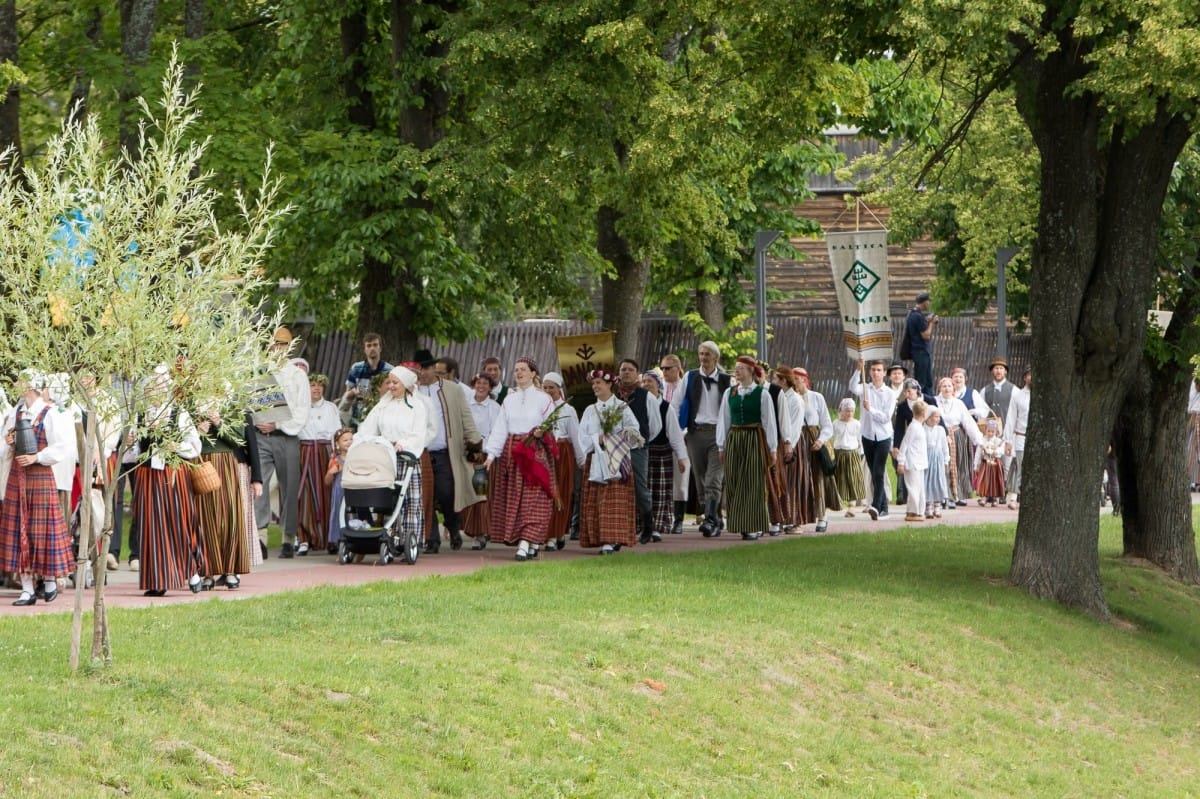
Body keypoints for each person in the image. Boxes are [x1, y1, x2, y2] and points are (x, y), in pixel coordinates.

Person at [0, 370, 75, 606]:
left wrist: (37, 457)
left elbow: (61, 447)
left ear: (31, 385)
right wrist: (9, 441)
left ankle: (50, 579)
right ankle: (27, 588)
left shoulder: (50, 413)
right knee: (19, 528)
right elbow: (6, 441)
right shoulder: (17, 411)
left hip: (40, 475)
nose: (18, 385)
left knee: (43, 529)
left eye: (21, 381)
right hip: (18, 476)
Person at [131, 367, 206, 597]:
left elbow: (195, 446)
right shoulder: (140, 415)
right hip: (147, 477)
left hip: (173, 475)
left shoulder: (178, 412)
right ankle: (157, 580)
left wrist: (177, 447)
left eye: (159, 386)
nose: (155, 391)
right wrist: (129, 445)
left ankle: (192, 571)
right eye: (151, 387)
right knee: (150, 528)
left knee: (179, 522)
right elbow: (133, 453)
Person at [483, 357, 557, 561]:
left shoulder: (544, 399)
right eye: (516, 370)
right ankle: (529, 541)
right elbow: (500, 428)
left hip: (535, 455)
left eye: (523, 369)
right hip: (513, 455)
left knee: (534, 499)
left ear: (533, 373)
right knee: (517, 499)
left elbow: (554, 427)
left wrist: (543, 432)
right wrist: (491, 454)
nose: (519, 373)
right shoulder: (509, 399)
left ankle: (525, 543)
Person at [415, 349, 484, 554]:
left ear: (433, 368)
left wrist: (474, 442)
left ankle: (453, 526)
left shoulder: (452, 390)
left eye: (426, 368)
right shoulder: (412, 391)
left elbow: (465, 416)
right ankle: (432, 539)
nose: (423, 373)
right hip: (422, 453)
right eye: (419, 368)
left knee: (447, 493)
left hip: (445, 451)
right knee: (425, 495)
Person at [251, 327, 311, 559]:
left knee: (289, 487)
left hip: (285, 436)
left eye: (281, 344)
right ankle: (260, 537)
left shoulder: (297, 376)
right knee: (260, 486)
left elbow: (301, 411)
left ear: (288, 347)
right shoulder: (259, 371)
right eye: (273, 344)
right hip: (262, 436)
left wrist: (277, 425)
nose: (276, 348)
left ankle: (288, 537)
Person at [355, 365, 428, 546]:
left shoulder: (417, 406)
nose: (391, 386)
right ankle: (392, 537)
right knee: (390, 500)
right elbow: (368, 427)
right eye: (390, 382)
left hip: (406, 457)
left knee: (410, 500)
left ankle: (411, 540)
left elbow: (418, 433)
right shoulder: (383, 405)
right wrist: (362, 440)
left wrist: (403, 444)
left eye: (395, 383)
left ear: (405, 384)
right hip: (386, 457)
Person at [194, 403, 262, 590]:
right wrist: (198, 432)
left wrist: (257, 478)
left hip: (231, 467)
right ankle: (207, 572)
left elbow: (245, 442)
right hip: (203, 467)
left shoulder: (236, 409)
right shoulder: (194, 408)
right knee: (205, 519)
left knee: (232, 517)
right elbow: (187, 442)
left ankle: (231, 569)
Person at [668, 340, 730, 537]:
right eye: (701, 354)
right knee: (701, 478)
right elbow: (676, 404)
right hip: (695, 433)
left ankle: (710, 522)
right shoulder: (690, 377)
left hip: (718, 435)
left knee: (713, 478)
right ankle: (715, 517)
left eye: (707, 354)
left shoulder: (727, 380)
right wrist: (678, 430)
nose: (703, 358)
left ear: (716, 358)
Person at [577, 369, 643, 554]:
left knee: (614, 500)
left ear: (609, 384)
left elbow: (634, 431)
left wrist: (611, 439)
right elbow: (582, 435)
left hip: (616, 459)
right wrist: (595, 440)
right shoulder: (591, 410)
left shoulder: (622, 407)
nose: (595, 386)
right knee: (597, 501)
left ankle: (612, 539)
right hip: (596, 460)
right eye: (593, 383)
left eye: (599, 383)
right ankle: (601, 538)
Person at [717, 356, 778, 540]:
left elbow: (769, 422)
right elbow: (724, 419)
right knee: (734, 481)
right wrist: (722, 446)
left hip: (754, 438)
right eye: (736, 368)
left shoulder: (762, 394)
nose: (737, 371)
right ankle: (739, 523)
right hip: (735, 439)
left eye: (742, 368)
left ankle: (754, 525)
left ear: (751, 371)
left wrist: (772, 448)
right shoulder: (730, 393)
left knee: (753, 482)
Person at [614, 358, 660, 542]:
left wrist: (642, 440)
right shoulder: (612, 396)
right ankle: (620, 528)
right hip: (614, 447)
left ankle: (648, 525)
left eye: (630, 369)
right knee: (617, 485)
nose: (626, 372)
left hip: (637, 448)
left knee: (639, 486)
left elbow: (655, 424)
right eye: (623, 369)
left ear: (637, 374)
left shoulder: (646, 396)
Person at [640, 369, 688, 542]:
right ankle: (643, 525)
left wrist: (682, 458)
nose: (646, 384)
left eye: (649, 381)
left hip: (661, 453)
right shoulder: (638, 404)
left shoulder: (666, 407)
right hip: (642, 452)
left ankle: (657, 527)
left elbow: (675, 435)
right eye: (643, 381)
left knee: (659, 492)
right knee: (643, 490)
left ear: (658, 385)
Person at [297, 371, 341, 555]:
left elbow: (337, 432)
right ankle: (306, 538)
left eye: (319, 385)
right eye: (312, 384)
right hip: (306, 451)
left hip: (325, 451)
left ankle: (331, 538)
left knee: (329, 491)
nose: (316, 388)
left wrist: (336, 455)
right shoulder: (300, 407)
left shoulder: (330, 407)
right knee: (305, 493)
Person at [541, 372, 585, 550]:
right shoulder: (540, 407)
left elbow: (576, 436)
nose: (548, 391)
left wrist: (581, 460)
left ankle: (557, 533)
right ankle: (547, 533)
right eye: (545, 387)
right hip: (544, 453)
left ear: (559, 389)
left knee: (561, 493)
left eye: (551, 387)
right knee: (546, 494)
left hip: (562, 453)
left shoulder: (568, 410)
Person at [852, 359, 897, 520]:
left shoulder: (890, 394)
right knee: (874, 472)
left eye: (879, 370)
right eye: (873, 370)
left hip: (883, 436)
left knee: (879, 471)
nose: (875, 373)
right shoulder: (865, 388)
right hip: (867, 435)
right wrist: (859, 370)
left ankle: (876, 506)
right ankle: (883, 508)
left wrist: (870, 409)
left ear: (884, 373)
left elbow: (885, 418)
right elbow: (852, 387)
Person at [795, 366, 836, 533]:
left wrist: (820, 440)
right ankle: (798, 516)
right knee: (798, 477)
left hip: (812, 438)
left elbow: (827, 423)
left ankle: (822, 515)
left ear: (804, 380)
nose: (794, 382)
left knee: (817, 476)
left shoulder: (816, 397)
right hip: (797, 438)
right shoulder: (789, 397)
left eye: (796, 379)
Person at [462, 373, 501, 549]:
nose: (481, 386)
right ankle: (468, 528)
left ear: (490, 387)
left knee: (481, 493)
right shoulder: (466, 405)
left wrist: (481, 447)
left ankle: (483, 532)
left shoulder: (494, 407)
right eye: (478, 382)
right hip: (466, 455)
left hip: (483, 456)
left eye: (485, 383)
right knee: (467, 494)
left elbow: (496, 432)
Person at [934, 376, 984, 507]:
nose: (947, 388)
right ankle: (944, 496)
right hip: (940, 436)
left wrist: (979, 440)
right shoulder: (934, 402)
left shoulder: (958, 403)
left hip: (956, 436)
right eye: (944, 386)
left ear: (953, 388)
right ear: (940, 387)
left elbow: (968, 422)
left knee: (958, 465)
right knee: (943, 465)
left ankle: (958, 495)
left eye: (949, 386)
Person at [658, 353, 690, 533]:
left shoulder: (685, 388)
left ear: (677, 369)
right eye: (662, 368)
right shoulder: (660, 387)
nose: (664, 371)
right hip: (662, 438)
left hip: (682, 437)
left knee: (681, 478)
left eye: (668, 368)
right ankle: (664, 515)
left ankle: (679, 519)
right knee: (662, 479)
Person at [341, 333, 393, 426]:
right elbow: (347, 393)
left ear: (380, 348)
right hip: (358, 418)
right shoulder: (356, 368)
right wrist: (352, 393)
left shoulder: (390, 370)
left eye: (375, 345)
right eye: (368, 345)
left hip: (382, 418)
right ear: (365, 350)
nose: (372, 348)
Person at [831, 398, 868, 517]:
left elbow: (860, 440)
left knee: (852, 479)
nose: (849, 414)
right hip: (839, 453)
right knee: (841, 479)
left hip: (852, 453)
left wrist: (861, 453)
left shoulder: (856, 424)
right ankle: (839, 501)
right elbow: (831, 436)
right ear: (841, 410)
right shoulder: (836, 423)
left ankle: (851, 506)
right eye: (847, 411)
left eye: (851, 411)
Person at [895, 400, 929, 522]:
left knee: (919, 488)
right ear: (924, 414)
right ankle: (914, 511)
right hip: (912, 463)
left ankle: (918, 511)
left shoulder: (919, 426)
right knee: (913, 488)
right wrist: (901, 462)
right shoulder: (913, 427)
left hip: (920, 463)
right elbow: (904, 445)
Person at [1003, 366, 1031, 510]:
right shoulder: (1018, 395)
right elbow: (1011, 418)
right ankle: (1015, 497)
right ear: (1025, 377)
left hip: (1036, 438)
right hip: (1021, 436)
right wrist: (1008, 441)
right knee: (1021, 467)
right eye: (1029, 374)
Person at [325, 427, 355, 546]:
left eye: (351, 439)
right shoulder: (336, 460)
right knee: (339, 512)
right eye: (345, 440)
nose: (349, 442)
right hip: (340, 490)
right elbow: (327, 481)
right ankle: (338, 538)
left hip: (353, 488)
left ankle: (355, 534)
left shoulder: (356, 457)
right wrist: (331, 472)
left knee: (353, 512)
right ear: (337, 443)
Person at [906, 292, 938, 394]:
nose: (929, 304)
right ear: (924, 302)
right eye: (928, 301)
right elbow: (926, 335)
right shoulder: (917, 316)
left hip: (919, 351)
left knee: (926, 380)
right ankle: (922, 400)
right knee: (923, 381)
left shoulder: (913, 314)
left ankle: (928, 399)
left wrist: (927, 321)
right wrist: (931, 323)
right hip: (921, 351)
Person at [923, 405, 950, 519]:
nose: (938, 419)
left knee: (938, 480)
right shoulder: (922, 428)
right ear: (928, 417)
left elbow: (944, 446)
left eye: (939, 417)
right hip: (927, 458)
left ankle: (938, 504)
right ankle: (928, 505)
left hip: (938, 458)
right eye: (935, 416)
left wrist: (946, 459)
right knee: (927, 481)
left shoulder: (941, 430)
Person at [973, 419, 1007, 506]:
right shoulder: (982, 441)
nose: (990, 433)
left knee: (995, 481)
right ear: (985, 430)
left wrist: (997, 452)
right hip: (985, 464)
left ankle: (995, 498)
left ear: (996, 431)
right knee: (985, 481)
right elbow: (978, 453)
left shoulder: (998, 441)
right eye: (989, 431)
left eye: (993, 431)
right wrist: (976, 465)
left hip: (995, 465)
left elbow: (1002, 449)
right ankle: (984, 497)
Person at [1188, 376, 1200, 491]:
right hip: (1192, 413)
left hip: (1196, 414)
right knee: (1191, 450)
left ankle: (1194, 481)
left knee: (1194, 450)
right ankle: (1193, 481)